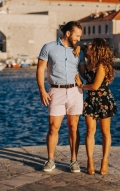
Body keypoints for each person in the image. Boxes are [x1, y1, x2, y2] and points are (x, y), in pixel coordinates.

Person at [36, 21, 86, 173]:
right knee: (53, 127)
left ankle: (74, 161)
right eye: (77, 35)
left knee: (73, 127)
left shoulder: (79, 51)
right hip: (55, 91)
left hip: (75, 91)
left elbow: (84, 71)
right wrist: (42, 91)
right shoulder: (48, 48)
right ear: (68, 33)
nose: (79, 38)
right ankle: (50, 160)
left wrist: (81, 48)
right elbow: (40, 69)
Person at [75, 38, 117, 175]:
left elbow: (95, 86)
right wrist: (80, 49)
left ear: (97, 49)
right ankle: (90, 161)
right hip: (90, 100)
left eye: (90, 45)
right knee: (89, 131)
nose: (88, 46)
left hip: (103, 100)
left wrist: (81, 85)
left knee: (105, 133)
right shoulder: (88, 63)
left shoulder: (102, 65)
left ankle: (104, 161)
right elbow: (80, 71)